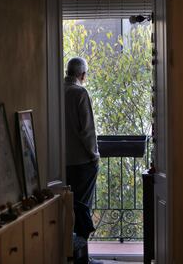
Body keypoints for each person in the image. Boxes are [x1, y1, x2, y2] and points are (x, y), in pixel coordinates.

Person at [64, 57, 102, 264]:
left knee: (68, 209)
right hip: (82, 162)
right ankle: (81, 258)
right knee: (82, 207)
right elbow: (87, 130)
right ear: (83, 75)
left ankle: (70, 255)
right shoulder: (79, 93)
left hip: (60, 163)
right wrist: (94, 155)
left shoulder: (55, 91)